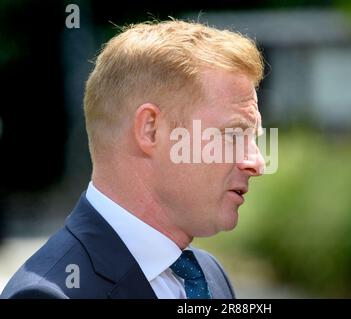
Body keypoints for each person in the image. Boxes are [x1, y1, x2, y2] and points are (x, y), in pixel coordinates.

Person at [1, 20, 265, 299]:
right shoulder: (49, 294)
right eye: (233, 135)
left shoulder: (210, 276)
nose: (257, 162)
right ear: (150, 130)